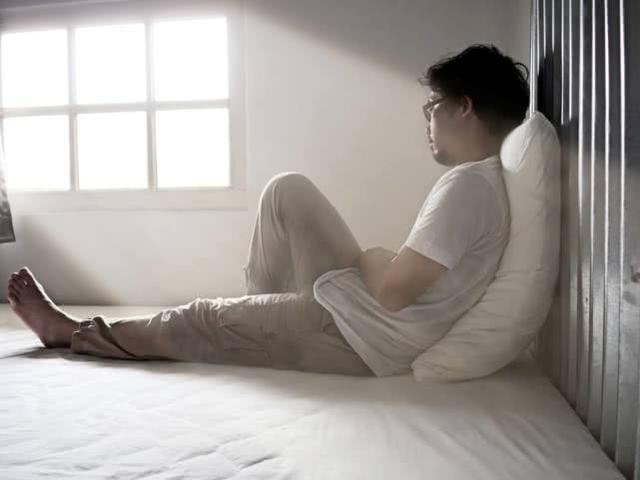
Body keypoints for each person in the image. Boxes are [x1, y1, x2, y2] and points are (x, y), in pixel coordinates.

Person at [6, 43, 529, 377]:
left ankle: (70, 332)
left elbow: (393, 293)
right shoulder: (482, 182)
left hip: (358, 335)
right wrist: (377, 263)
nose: (428, 121)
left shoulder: (468, 187)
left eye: (432, 106)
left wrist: (374, 256)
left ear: (463, 106)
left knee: (201, 317)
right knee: (287, 191)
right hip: (358, 312)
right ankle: (256, 317)